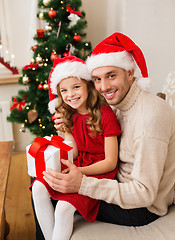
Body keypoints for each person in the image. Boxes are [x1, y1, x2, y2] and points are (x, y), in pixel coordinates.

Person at [43, 32, 175, 227]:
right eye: (97, 79)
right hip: (115, 180)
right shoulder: (115, 104)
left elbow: (144, 194)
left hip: (140, 208)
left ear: (130, 73)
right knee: (43, 177)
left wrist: (82, 183)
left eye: (111, 76)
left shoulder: (150, 116)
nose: (103, 87)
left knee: (52, 191)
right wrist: (66, 127)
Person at [31, 55, 121, 240]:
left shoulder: (105, 114)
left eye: (76, 87)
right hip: (78, 163)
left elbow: (111, 162)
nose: (70, 94)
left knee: (64, 208)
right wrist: (66, 130)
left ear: (88, 86)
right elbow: (74, 152)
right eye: (64, 90)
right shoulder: (70, 114)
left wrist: (79, 172)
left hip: (98, 170)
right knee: (38, 187)